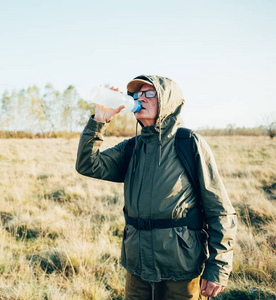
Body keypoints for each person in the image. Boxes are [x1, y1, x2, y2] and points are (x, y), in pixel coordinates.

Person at [75, 75, 237, 299]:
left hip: (180, 265)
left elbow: (220, 210)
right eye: (137, 94)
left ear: (168, 101)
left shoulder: (188, 143)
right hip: (137, 263)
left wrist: (218, 267)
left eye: (149, 93)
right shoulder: (131, 147)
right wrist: (99, 122)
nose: (141, 98)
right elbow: (87, 165)